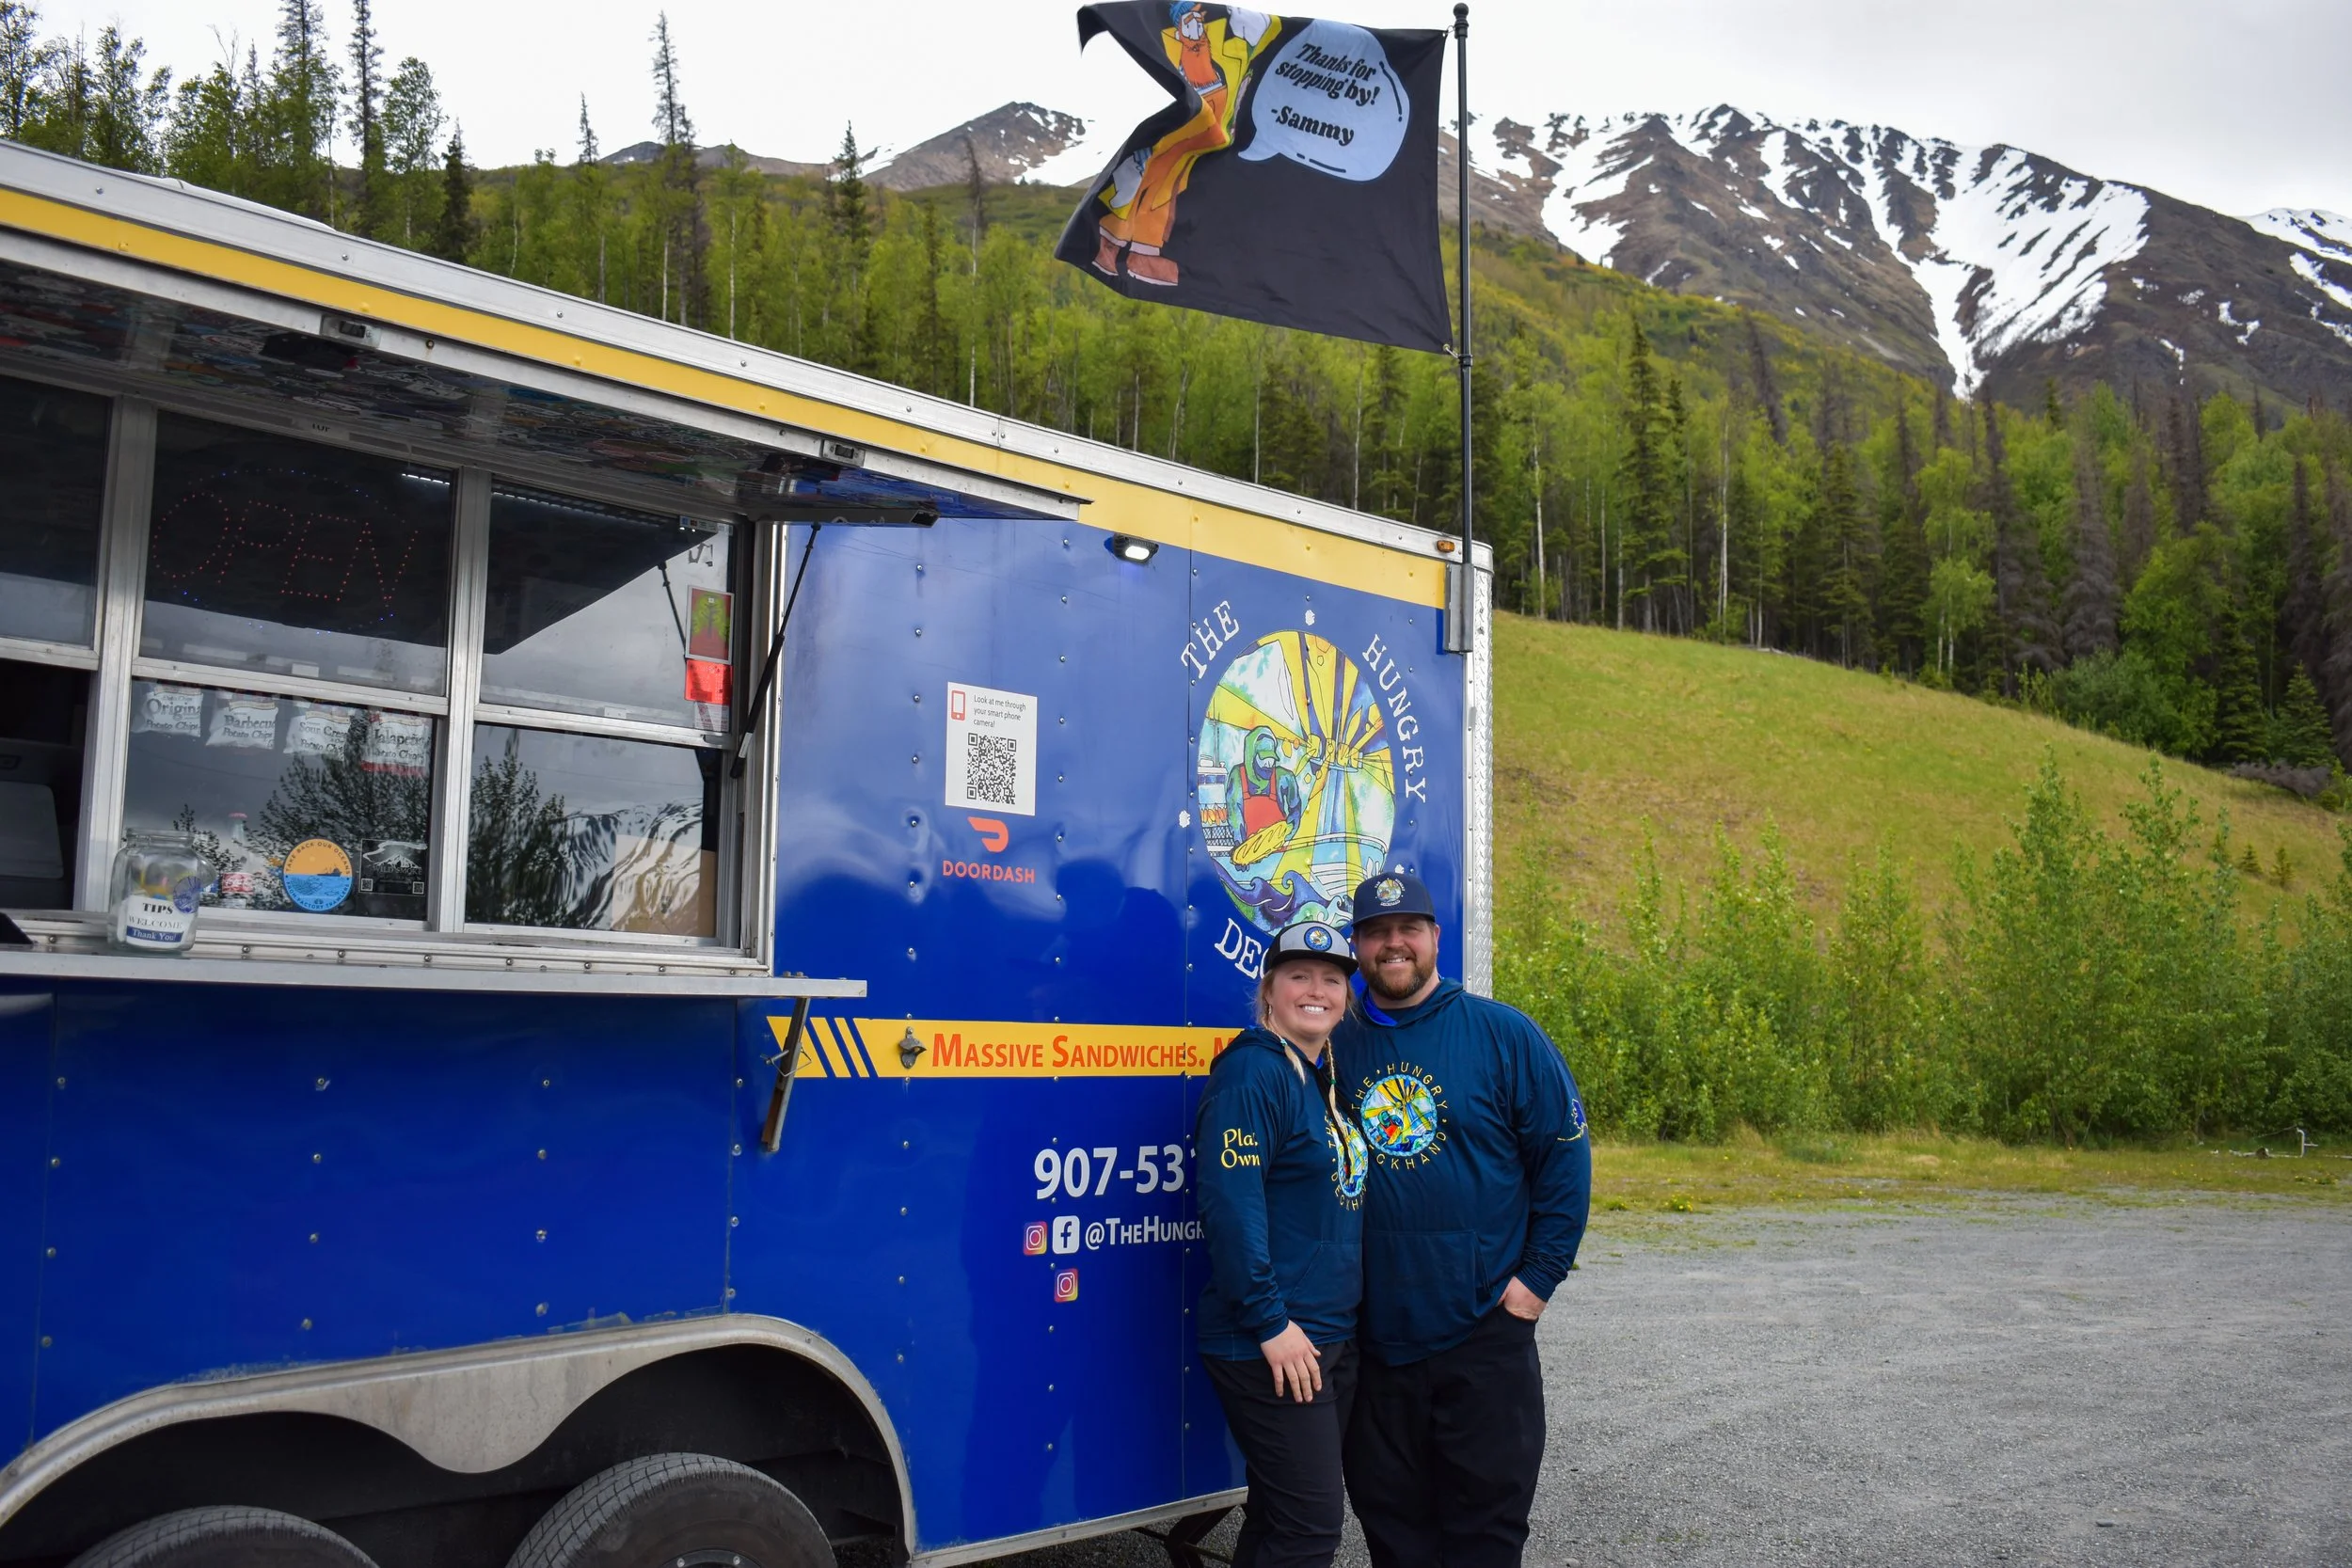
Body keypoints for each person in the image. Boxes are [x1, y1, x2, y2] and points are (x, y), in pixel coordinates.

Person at [1332, 870, 1591, 1568]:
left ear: (1435, 937)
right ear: (1356, 946)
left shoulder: (1503, 1034)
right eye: (1376, 932)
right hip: (1377, 1343)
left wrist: (1532, 1287)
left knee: (1484, 1538)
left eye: (1408, 929)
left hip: (1485, 1337)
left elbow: (1564, 1163)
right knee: (1396, 1535)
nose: (1393, 944)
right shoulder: (1334, 1045)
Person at [1195, 917, 1371, 1568]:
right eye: (1300, 975)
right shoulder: (1253, 1073)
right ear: (1269, 988)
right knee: (1309, 1529)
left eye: (1332, 978)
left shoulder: (1322, 1076)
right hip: (1273, 1341)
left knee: (1278, 1518)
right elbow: (1230, 1208)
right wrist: (1271, 1321)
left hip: (1325, 1335)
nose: (1317, 989)